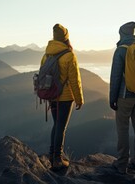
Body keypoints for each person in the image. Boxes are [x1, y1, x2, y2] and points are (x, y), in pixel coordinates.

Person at [41, 23, 84, 170]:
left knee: (56, 124)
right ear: (66, 38)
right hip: (65, 97)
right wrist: (79, 99)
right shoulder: (69, 55)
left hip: (51, 95)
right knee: (61, 126)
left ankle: (52, 155)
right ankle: (57, 159)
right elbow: (74, 80)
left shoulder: (46, 54)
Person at [109, 21, 135, 174]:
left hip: (125, 96)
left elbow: (116, 77)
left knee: (123, 129)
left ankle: (122, 164)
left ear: (122, 34)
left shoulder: (120, 51)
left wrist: (112, 98)